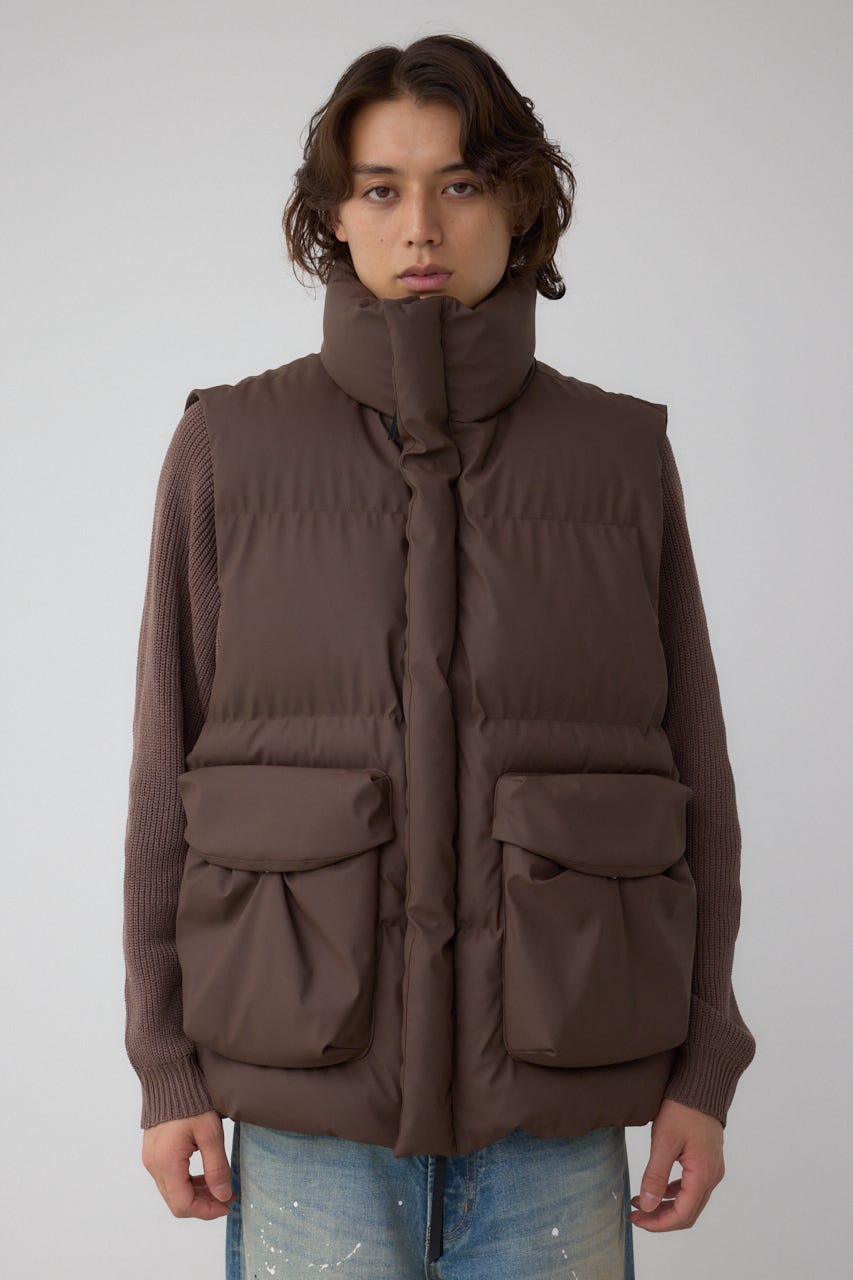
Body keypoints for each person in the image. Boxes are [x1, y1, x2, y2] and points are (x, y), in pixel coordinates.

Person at [123, 33, 757, 1279]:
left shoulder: (619, 461)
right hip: (308, 1121)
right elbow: (164, 775)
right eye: (380, 188)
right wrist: (165, 1066)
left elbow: (696, 780)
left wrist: (704, 1064)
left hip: (552, 1119)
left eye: (459, 183)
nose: (420, 225)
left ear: (517, 204)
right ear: (334, 215)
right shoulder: (227, 451)